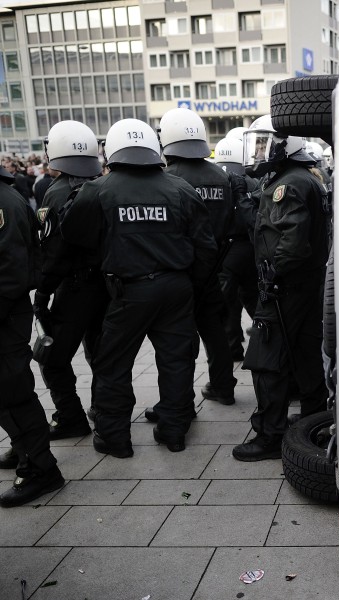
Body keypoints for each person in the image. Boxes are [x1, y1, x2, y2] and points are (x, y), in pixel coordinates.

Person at [60, 118, 217, 456]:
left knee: (113, 364)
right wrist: (190, 283)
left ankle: (115, 438)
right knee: (176, 362)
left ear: (112, 150)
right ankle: (174, 431)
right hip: (176, 287)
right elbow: (206, 247)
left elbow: (73, 233)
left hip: (128, 290)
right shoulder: (180, 189)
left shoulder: (98, 190)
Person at [230, 116, 329, 461]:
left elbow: (292, 240)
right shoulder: (300, 179)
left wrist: (273, 275)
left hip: (284, 286)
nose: (259, 151)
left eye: (264, 144)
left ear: (285, 146)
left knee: (266, 360)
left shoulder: (289, 185)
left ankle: (270, 434)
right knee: (305, 353)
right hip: (301, 284)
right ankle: (317, 419)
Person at [157, 107, 238, 409]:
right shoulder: (222, 175)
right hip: (214, 269)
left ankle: (181, 402)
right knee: (215, 331)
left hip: (180, 273)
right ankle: (223, 386)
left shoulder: (168, 179)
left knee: (180, 339)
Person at [33, 120, 109, 441]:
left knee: (51, 358)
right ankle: (103, 411)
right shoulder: (105, 186)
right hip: (106, 285)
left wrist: (42, 295)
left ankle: (70, 417)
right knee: (101, 353)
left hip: (74, 287)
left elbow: (53, 252)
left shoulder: (57, 191)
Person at [0, 164, 65, 507]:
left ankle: (40, 468)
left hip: (5, 315)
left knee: (14, 394)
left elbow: (11, 272)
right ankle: (23, 447)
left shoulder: (4, 203)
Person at [214, 133, 259, 362]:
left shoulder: (214, 181)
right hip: (250, 249)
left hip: (225, 251)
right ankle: (263, 342)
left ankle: (233, 350)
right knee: (255, 301)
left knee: (227, 306)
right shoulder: (252, 182)